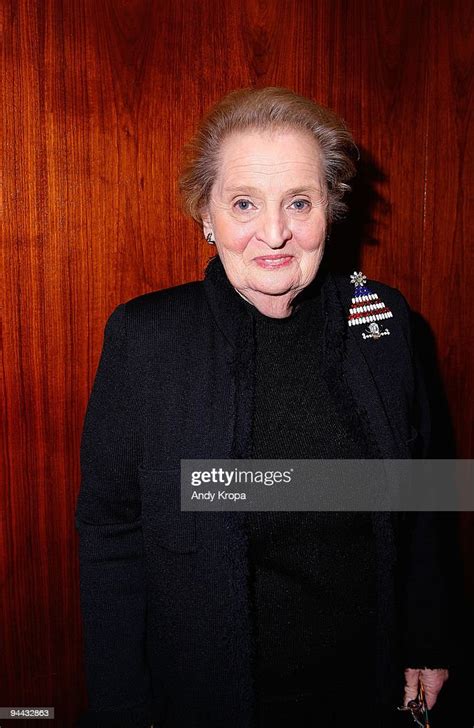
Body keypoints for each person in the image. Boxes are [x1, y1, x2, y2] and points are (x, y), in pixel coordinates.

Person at [75, 87, 451, 728]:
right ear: (205, 215)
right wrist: (119, 706)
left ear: (329, 210)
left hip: (364, 693)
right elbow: (111, 537)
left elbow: (429, 496)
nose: (274, 233)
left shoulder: (381, 320)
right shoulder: (144, 338)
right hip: (204, 700)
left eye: (299, 203)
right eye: (244, 203)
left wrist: (429, 637)